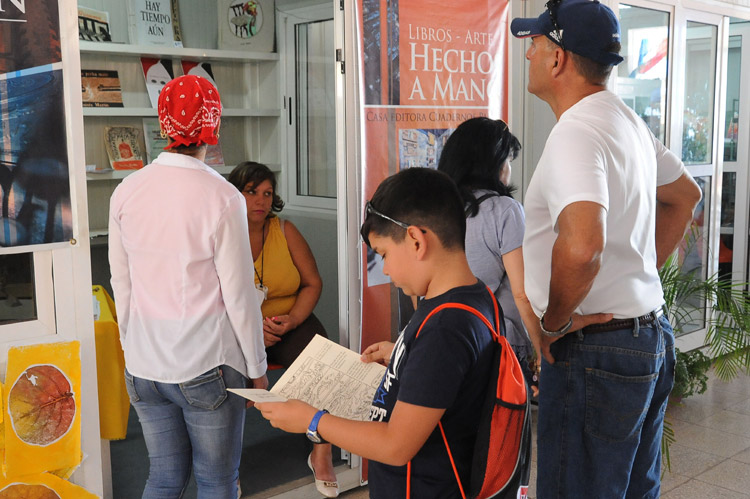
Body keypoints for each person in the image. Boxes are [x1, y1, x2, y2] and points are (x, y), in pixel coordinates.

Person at [510, 1, 702, 497]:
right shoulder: (626, 121)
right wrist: (641, 273)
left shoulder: (576, 131)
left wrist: (551, 325)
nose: (528, 53)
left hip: (596, 350)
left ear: (558, 59)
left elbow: (581, 248)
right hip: (646, 336)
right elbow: (685, 196)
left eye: (534, 43)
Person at [255, 167, 498, 498]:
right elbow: (450, 376)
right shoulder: (473, 296)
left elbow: (396, 446)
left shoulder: (445, 328)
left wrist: (312, 420)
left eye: (383, 254)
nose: (384, 268)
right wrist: (404, 353)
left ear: (416, 239)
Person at [109, 74, 268, 499]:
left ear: (163, 123)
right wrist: (257, 370)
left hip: (143, 365)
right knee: (216, 480)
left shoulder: (126, 190)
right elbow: (238, 294)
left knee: (162, 478)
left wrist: (133, 346)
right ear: (213, 126)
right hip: (206, 364)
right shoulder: (222, 196)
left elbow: (120, 283)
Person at [227, 161, 339, 498]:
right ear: (235, 193)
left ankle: (321, 452)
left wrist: (292, 319)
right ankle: (225, 469)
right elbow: (211, 299)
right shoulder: (221, 232)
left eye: (267, 193)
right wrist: (250, 333)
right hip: (236, 330)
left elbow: (312, 283)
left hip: (288, 321)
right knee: (223, 379)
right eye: (251, 192)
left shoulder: (284, 230)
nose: (260, 201)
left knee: (325, 361)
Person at [437, 117, 542, 394]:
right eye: (507, 159)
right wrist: (540, 347)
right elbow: (521, 293)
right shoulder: (505, 210)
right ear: (491, 164)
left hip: (445, 335)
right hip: (497, 341)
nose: (509, 168)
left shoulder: (437, 207)